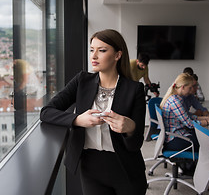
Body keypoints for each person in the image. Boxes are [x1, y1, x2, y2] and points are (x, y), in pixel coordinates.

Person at [40, 29, 147, 195]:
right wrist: (77, 120)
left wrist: (130, 128)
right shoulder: (82, 81)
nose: (94, 56)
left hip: (126, 169)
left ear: (118, 55)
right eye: (92, 50)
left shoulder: (135, 89)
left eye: (102, 50)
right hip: (90, 167)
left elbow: (135, 144)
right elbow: (46, 112)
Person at [160, 73, 209, 154]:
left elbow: (188, 116)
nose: (191, 91)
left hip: (177, 135)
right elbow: (189, 124)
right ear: (183, 87)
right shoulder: (175, 101)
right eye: (190, 88)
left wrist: (207, 118)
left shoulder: (175, 98)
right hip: (176, 139)